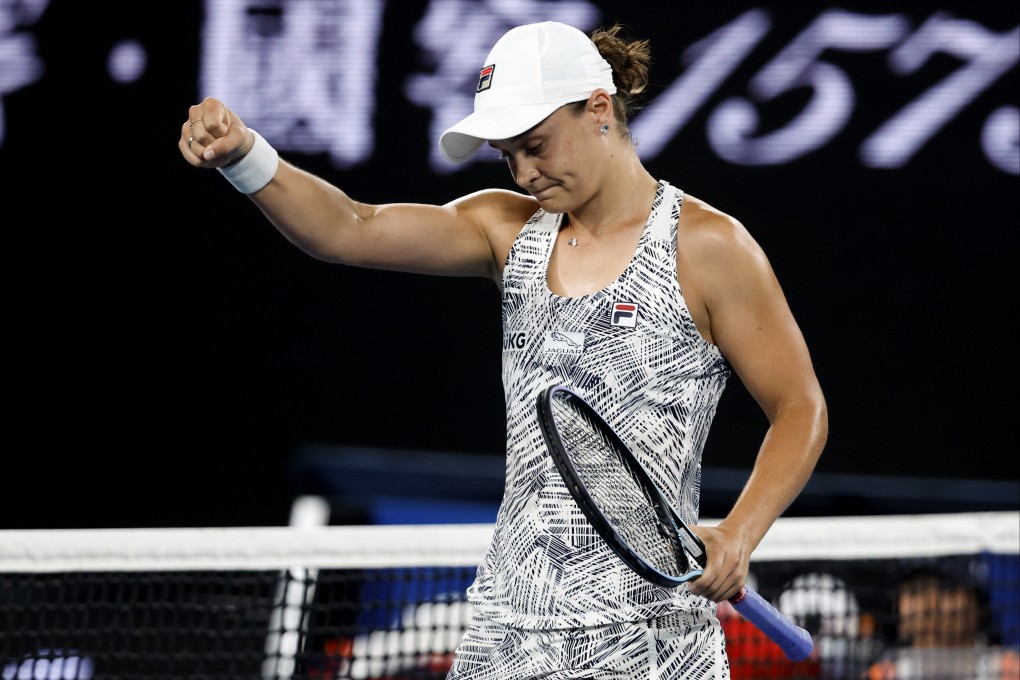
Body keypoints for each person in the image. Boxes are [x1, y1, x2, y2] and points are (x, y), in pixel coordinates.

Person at [179, 20, 828, 679]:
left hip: (653, 648)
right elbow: (350, 228)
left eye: (537, 145)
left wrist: (740, 533)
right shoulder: (505, 230)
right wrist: (244, 156)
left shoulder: (710, 247)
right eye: (508, 154)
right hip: (507, 639)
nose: (524, 172)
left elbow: (800, 406)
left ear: (599, 109)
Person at [867, 568, 1020, 680]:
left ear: (978, 607)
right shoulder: (883, 674)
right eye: (915, 591)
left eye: (947, 589)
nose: (930, 606)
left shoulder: (1010, 671)